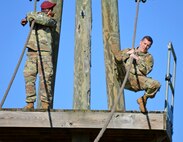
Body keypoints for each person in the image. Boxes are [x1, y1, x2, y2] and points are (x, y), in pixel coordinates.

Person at [21, 1, 57, 110]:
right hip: (32, 51)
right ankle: (30, 102)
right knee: (29, 75)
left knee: (46, 78)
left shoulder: (51, 20)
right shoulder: (34, 18)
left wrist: (30, 15)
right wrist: (28, 18)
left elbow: (44, 20)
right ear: (47, 10)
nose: (51, 11)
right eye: (50, 9)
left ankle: (45, 103)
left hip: (44, 52)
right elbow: (33, 18)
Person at [113, 35, 161, 113]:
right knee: (119, 61)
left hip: (137, 81)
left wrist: (137, 58)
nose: (145, 46)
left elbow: (145, 71)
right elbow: (115, 61)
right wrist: (128, 54)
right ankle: (115, 53)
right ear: (140, 42)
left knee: (156, 84)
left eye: (148, 45)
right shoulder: (129, 50)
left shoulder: (149, 58)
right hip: (124, 76)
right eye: (144, 43)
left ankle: (143, 100)